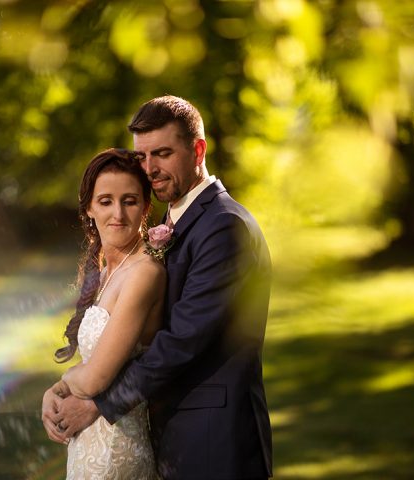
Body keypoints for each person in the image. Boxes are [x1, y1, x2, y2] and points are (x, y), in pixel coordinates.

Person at [44, 95, 273, 479]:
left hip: (213, 437)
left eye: (163, 154)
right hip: (169, 434)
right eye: (143, 157)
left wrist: (98, 403)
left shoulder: (223, 225)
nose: (150, 168)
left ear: (198, 149)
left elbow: (182, 339)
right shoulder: (175, 222)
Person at [42, 148, 165, 479]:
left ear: (146, 208)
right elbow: (98, 359)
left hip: (116, 449)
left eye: (130, 200)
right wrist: (53, 393)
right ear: (89, 209)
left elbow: (97, 377)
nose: (118, 214)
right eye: (106, 201)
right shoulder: (106, 270)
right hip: (87, 442)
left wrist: (63, 383)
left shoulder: (144, 273)